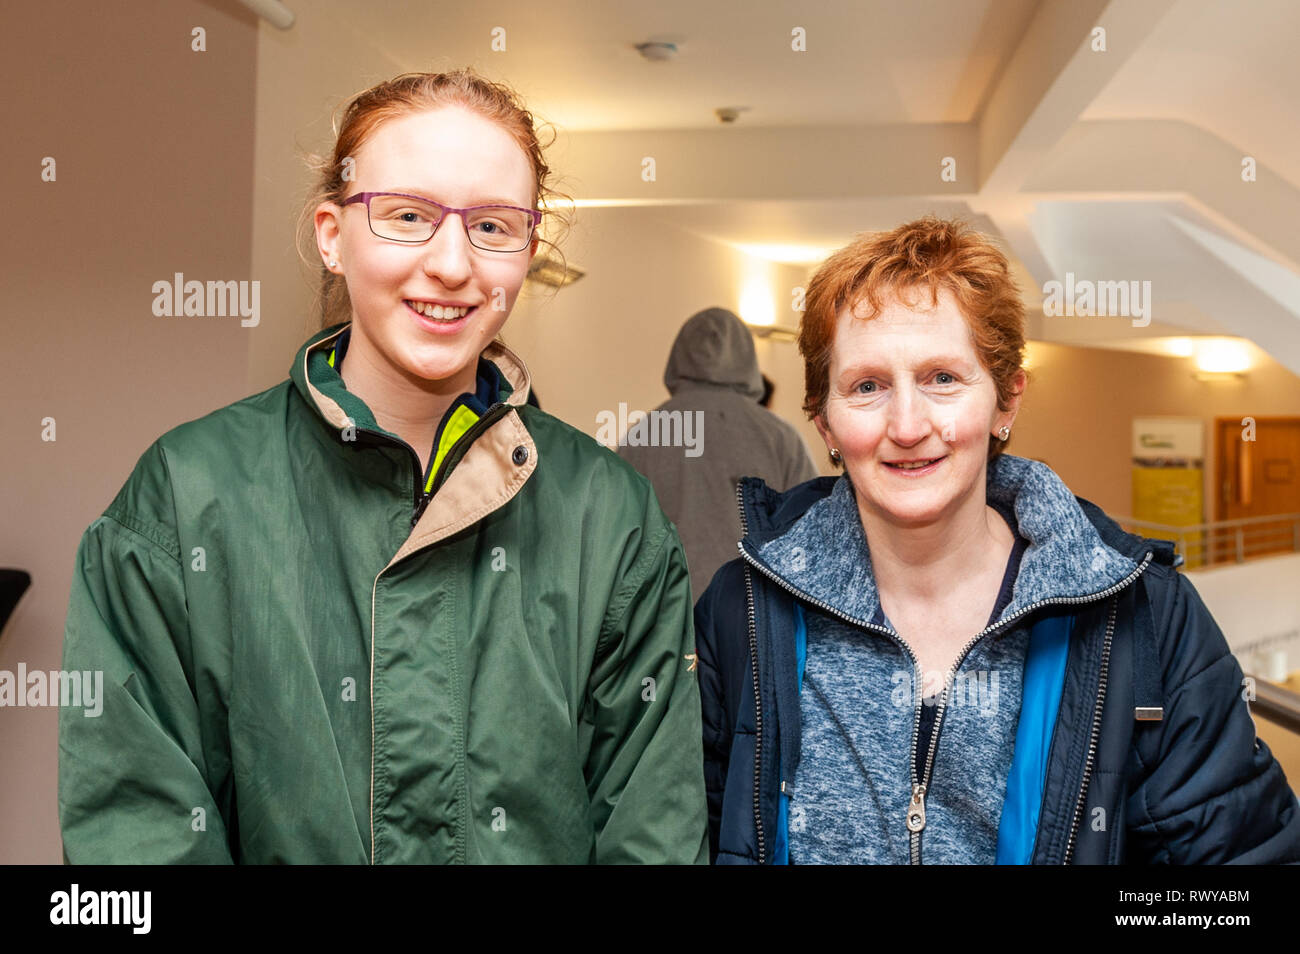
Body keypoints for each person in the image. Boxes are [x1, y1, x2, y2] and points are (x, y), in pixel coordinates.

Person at [59, 69, 708, 864]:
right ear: (333, 234)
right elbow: (135, 832)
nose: (451, 264)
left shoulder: (611, 516)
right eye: (407, 215)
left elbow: (653, 835)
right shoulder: (186, 493)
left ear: (528, 252)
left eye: (494, 227)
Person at [694, 216, 1300, 864]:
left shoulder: (1147, 616)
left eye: (943, 379)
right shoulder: (744, 609)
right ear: (825, 423)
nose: (907, 424)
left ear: (1006, 401)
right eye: (867, 386)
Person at [619, 307, 819, 603]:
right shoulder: (780, 437)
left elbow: (618, 540)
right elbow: (812, 533)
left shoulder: (641, 436)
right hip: (754, 614)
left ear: (678, 357)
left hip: (664, 616)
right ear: (748, 359)